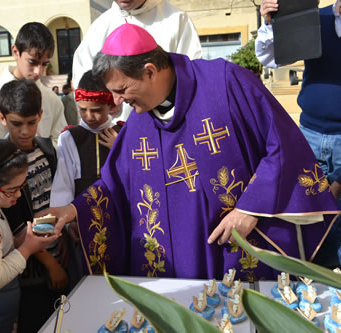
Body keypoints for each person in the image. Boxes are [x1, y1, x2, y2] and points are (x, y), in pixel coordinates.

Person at [44, 23, 339, 282]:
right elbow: (116, 183)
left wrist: (250, 208)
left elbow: (284, 145)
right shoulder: (139, 119)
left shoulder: (226, 83)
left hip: (234, 248)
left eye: (121, 90)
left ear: (149, 71)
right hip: (174, 267)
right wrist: (72, 210)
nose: (117, 102)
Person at [255, 0, 341, 267]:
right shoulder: (315, 18)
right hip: (310, 134)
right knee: (309, 213)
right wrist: (271, 25)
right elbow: (271, 58)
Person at [0, 79, 70, 332]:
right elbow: (13, 226)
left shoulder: (47, 150)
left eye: (31, 122)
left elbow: (58, 199)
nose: (25, 131)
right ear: (2, 118)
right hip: (30, 267)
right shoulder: (0, 162)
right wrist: (50, 263)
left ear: (41, 115)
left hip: (59, 251)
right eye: (17, 124)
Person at [0, 140, 59, 333]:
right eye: (11, 190)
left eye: (22, 186)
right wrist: (27, 248)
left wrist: (23, 239)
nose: (18, 195)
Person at [72, 0, 202, 123]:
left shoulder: (176, 20)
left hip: (167, 121)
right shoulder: (99, 27)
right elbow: (84, 81)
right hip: (112, 128)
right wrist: (105, 101)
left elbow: (188, 77)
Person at [0, 22, 67, 170]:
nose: (39, 71)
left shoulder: (52, 100)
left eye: (44, 64)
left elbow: (62, 146)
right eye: (32, 62)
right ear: (15, 52)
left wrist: (40, 144)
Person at [50, 69, 122, 207]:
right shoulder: (69, 138)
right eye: (82, 110)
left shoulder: (122, 134)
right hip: (81, 214)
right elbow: (63, 185)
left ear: (111, 106)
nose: (89, 116)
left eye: (96, 110)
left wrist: (119, 149)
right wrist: (68, 222)